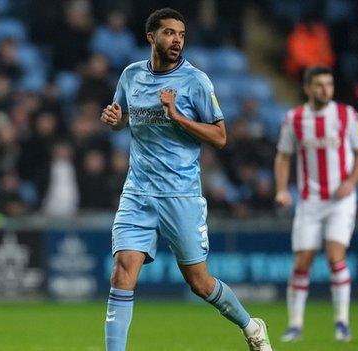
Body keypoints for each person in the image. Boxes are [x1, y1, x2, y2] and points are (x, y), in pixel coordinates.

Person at [99, 8, 272, 351]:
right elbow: (122, 119)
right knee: (122, 270)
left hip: (181, 195)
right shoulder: (131, 75)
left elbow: (220, 137)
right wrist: (115, 119)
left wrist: (177, 116)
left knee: (199, 283)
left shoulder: (196, 81)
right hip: (138, 191)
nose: (176, 40)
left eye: (181, 34)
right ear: (151, 37)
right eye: (168, 33)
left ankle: (251, 326)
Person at [274, 66, 358, 342]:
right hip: (309, 201)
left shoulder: (346, 115)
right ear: (307, 88)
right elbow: (283, 156)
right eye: (319, 85)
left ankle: (342, 322)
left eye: (328, 84)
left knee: (334, 255)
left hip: (341, 200)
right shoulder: (295, 119)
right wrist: (282, 189)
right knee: (302, 261)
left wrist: (351, 181)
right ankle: (294, 325)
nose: (325, 89)